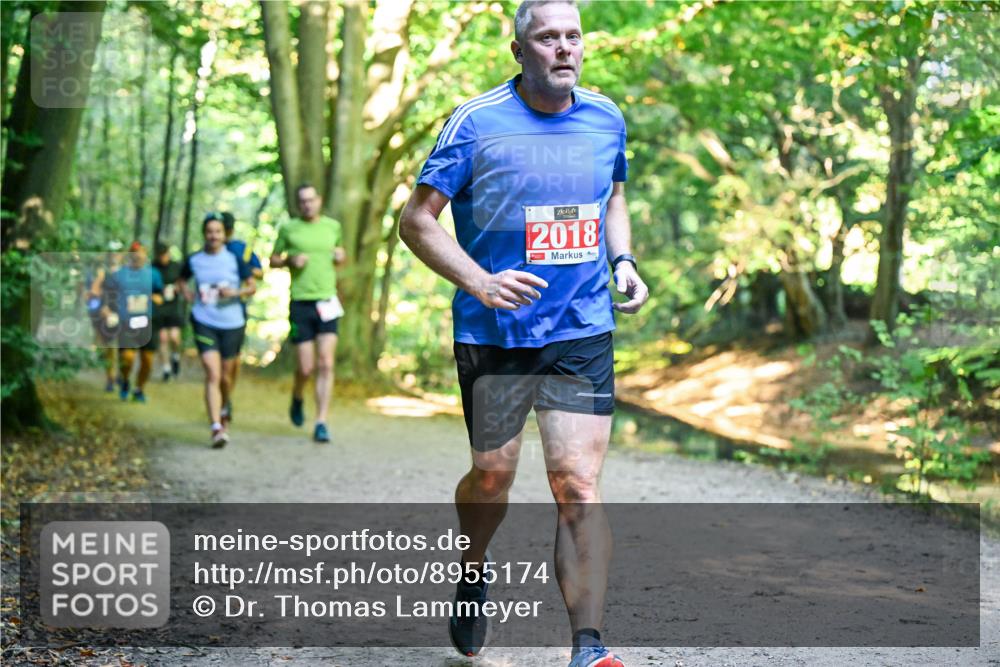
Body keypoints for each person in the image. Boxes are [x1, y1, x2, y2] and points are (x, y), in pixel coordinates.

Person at [398, 2, 648, 665]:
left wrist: (622, 261)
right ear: (519, 51)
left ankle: (588, 647)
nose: (564, 48)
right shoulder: (476, 124)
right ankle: (473, 567)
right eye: (547, 38)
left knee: (576, 484)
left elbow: (614, 196)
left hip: (580, 326)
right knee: (492, 476)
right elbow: (417, 220)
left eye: (572, 36)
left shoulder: (606, 117)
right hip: (496, 330)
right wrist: (480, 281)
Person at [269, 184, 346, 444]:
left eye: (311, 200)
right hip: (301, 303)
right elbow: (273, 259)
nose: (307, 205)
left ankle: (321, 421)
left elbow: (340, 256)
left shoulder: (332, 227)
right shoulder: (289, 228)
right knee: (306, 367)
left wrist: (340, 256)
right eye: (302, 201)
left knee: (326, 363)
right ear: (298, 204)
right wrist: (290, 260)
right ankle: (298, 395)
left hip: (327, 301)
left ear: (319, 200)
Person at [176, 215, 256, 448]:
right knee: (212, 373)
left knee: (225, 376)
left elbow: (252, 287)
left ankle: (225, 404)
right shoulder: (194, 260)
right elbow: (181, 281)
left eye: (218, 232)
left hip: (232, 323)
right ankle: (216, 427)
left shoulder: (235, 259)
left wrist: (235, 293)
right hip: (204, 320)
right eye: (210, 231)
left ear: (224, 234)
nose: (213, 236)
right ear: (204, 233)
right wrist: (187, 294)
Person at [103, 241, 164, 403]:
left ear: (145, 254)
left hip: (148, 321)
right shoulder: (118, 275)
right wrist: (108, 311)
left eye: (141, 252)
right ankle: (124, 380)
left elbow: (160, 295)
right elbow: (108, 296)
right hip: (126, 322)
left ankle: (139, 389)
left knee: (147, 360)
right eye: (134, 252)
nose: (138, 255)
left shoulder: (154, 274)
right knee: (128, 358)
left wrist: (156, 299)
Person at [218, 210, 263, 425]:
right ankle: (221, 398)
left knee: (232, 360)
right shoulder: (211, 250)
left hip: (236, 309)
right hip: (212, 311)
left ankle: (227, 397)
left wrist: (245, 271)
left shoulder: (240, 249)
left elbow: (259, 272)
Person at [85, 246, 123, 392]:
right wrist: (103, 308)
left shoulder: (127, 272)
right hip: (107, 315)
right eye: (112, 252)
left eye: (118, 252)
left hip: (124, 315)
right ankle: (110, 378)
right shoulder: (102, 273)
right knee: (111, 348)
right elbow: (93, 293)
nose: (115, 254)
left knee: (123, 348)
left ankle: (120, 375)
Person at [151, 242, 185, 382]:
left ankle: (175, 357)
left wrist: (177, 288)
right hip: (159, 308)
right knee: (163, 338)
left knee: (175, 337)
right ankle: (166, 368)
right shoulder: (153, 268)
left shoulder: (176, 266)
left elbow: (182, 282)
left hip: (174, 307)